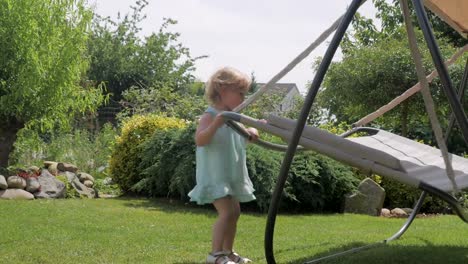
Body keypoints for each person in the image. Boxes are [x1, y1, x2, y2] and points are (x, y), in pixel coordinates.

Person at [188, 67, 259, 264]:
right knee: (226, 213)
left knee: (235, 213)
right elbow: (200, 140)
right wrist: (215, 125)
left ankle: (228, 251)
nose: (243, 98)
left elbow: (244, 138)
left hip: (231, 174)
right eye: (240, 93)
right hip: (215, 174)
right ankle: (215, 255)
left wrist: (253, 129)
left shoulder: (233, 117)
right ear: (221, 89)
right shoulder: (210, 115)